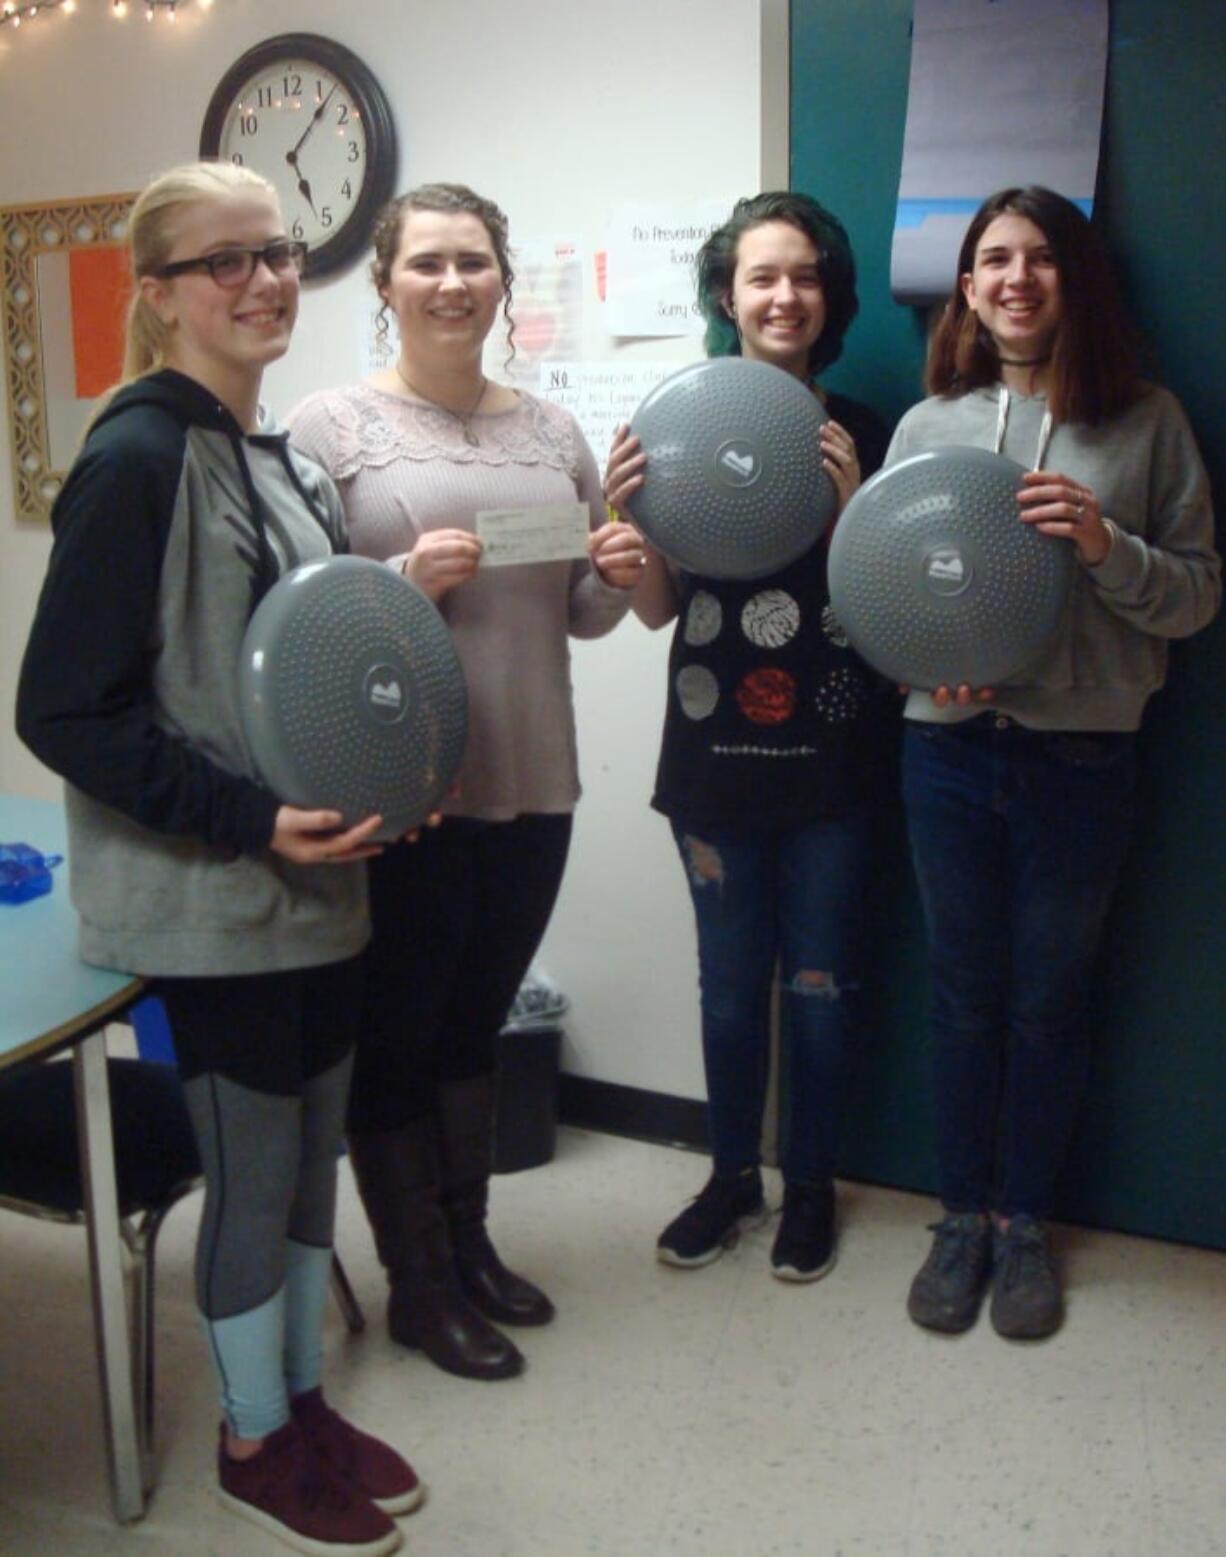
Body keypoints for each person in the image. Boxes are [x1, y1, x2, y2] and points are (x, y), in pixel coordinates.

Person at [16, 162, 420, 1557]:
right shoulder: (136, 457)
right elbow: (61, 708)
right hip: (213, 898)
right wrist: (250, 819)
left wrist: (384, 780)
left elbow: (306, 668)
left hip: (319, 888)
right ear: (158, 295)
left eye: (279, 252)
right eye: (224, 261)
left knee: (311, 1166)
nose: (262, 280)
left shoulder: (278, 454)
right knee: (254, 1178)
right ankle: (254, 1438)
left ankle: (298, 1398)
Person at [287, 184, 643, 1381]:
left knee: (474, 1023)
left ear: (503, 280)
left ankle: (473, 1249)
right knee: (399, 1033)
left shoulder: (550, 433)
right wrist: (397, 576)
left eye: (474, 262)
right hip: (406, 784)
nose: (453, 283)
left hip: (535, 774)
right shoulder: (327, 429)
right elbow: (298, 628)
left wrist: (621, 567)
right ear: (384, 285)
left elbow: (582, 614)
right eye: (427, 263)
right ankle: (418, 1287)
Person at [888, 186, 1220, 1341]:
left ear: (1073, 280)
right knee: (959, 995)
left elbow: (1191, 598)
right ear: (968, 289)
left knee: (1047, 1000)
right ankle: (958, 1218)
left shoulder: (1145, 420)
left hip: (1082, 752)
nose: (1015, 278)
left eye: (1039, 258)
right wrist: (933, 666)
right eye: (992, 260)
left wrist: (1099, 542)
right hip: (944, 749)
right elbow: (889, 596)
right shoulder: (928, 425)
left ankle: (1022, 1223)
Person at [604, 191, 895, 1281]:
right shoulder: (673, 426)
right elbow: (654, 608)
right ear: (725, 295)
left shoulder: (861, 432)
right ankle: (731, 1176)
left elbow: (886, 614)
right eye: (761, 277)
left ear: (831, 297)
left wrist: (852, 508)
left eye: (805, 275)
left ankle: (808, 1186)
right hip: (710, 759)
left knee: (818, 985)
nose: (784, 296)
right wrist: (627, 523)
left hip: (833, 760)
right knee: (727, 988)